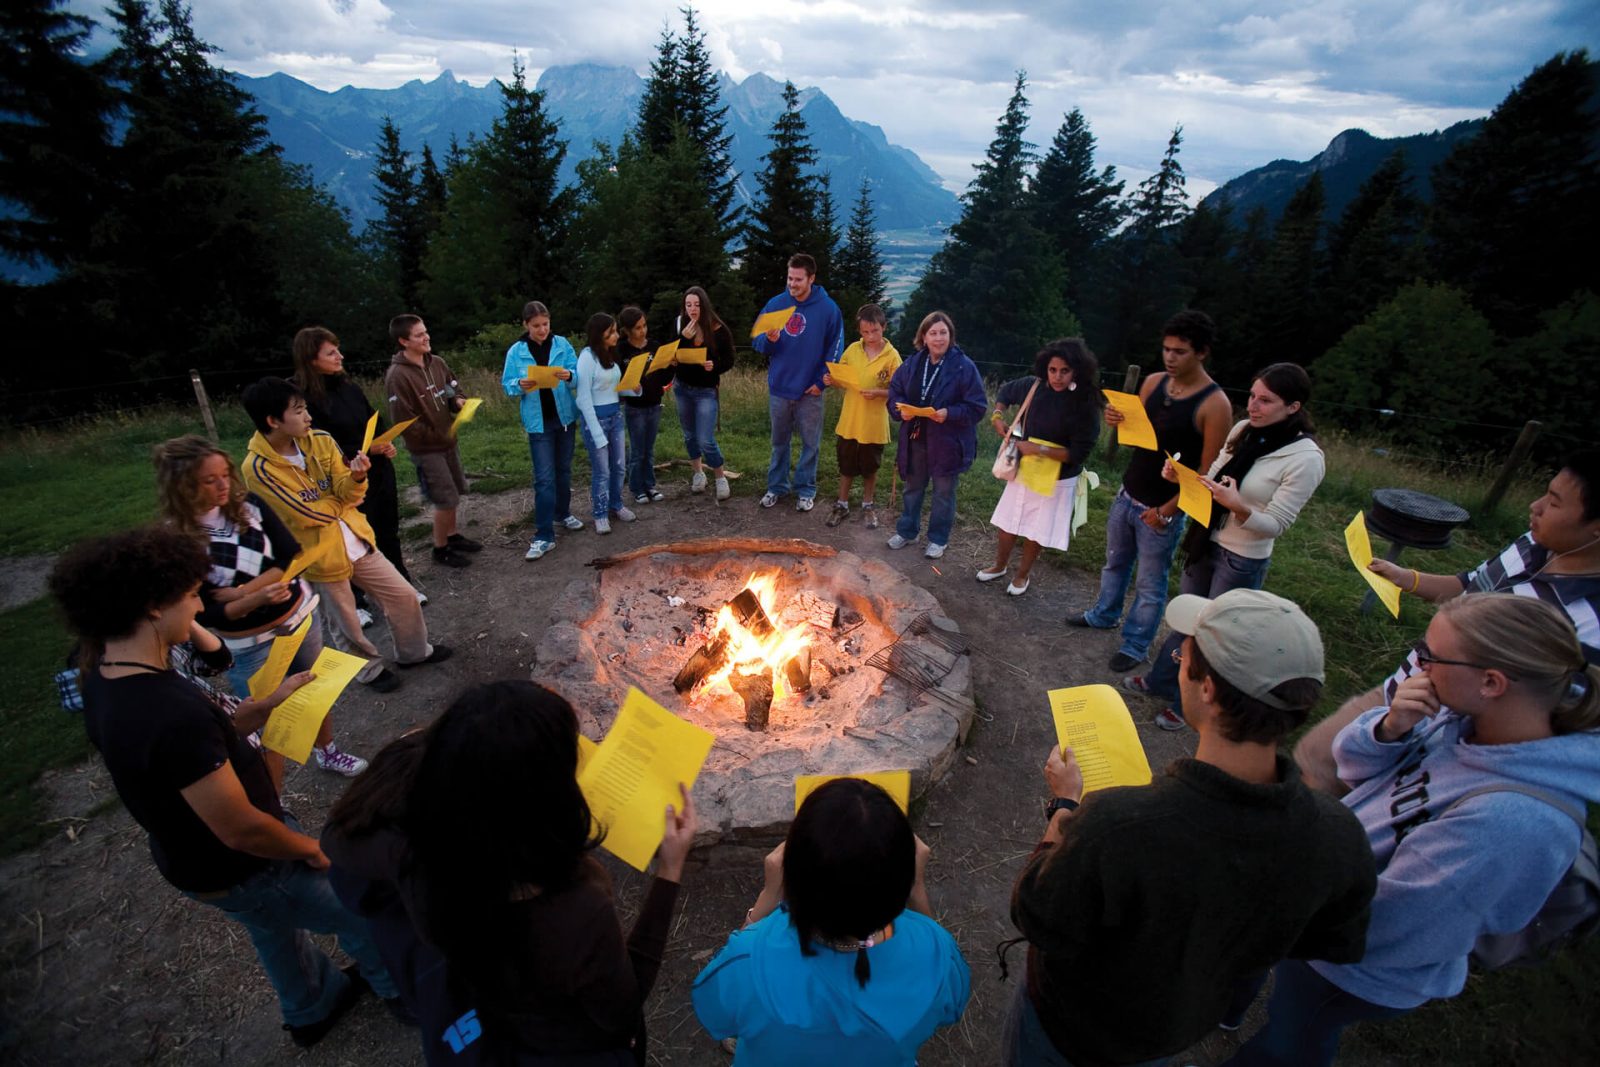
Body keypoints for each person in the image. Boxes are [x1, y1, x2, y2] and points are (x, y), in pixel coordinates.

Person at [47, 527, 403, 1048]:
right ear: (152, 607)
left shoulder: (107, 675)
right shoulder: (165, 713)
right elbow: (239, 828)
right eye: (191, 595)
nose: (199, 607)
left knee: (272, 927)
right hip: (246, 864)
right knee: (361, 909)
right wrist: (311, 850)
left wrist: (261, 711)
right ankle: (401, 990)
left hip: (193, 860)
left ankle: (310, 1008)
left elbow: (193, 753)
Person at [1008, 589, 1375, 1067]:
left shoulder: (1116, 825)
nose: (1178, 662)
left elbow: (1036, 914)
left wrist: (1064, 806)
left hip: (1073, 1031)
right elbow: (1330, 939)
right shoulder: (1339, 836)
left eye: (1182, 657)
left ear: (1207, 690)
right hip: (1175, 1031)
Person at [1230, 593, 1600, 1067]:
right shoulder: (1461, 718)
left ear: (1491, 682)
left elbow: (1397, 924)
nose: (1417, 667)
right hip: (1321, 908)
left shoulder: (1512, 824)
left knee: (1292, 1040)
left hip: (1351, 966)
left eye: (1431, 656)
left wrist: (1281, 911)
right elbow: (1353, 768)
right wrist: (1389, 728)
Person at [323, 681, 697, 1064]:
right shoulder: (572, 911)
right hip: (562, 1045)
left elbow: (337, 840)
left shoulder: (417, 855)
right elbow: (621, 1013)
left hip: (485, 1007)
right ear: (541, 800)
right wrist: (670, 869)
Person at [1295, 449, 1600, 794]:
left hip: (1440, 747)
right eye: (1545, 492)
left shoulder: (1589, 626)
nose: (1535, 506)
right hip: (1403, 693)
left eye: (1554, 503)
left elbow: (1552, 723)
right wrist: (1407, 578)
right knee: (1314, 760)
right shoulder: (1532, 543)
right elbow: (1471, 584)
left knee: (1339, 792)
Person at [693, 778, 970, 1065]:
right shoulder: (937, 953)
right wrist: (917, 890)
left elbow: (718, 1014)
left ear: (792, 878)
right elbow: (949, 1005)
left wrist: (766, 900)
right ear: (901, 882)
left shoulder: (749, 959)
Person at [1126, 363, 1325, 729]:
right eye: (1252, 396)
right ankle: (1162, 680)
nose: (1253, 406)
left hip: (1242, 557)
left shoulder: (1305, 458)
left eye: (1266, 400)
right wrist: (1181, 477)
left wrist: (1238, 506)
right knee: (1187, 617)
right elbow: (1212, 479)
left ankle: (1187, 706)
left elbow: (1277, 524)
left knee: (1215, 634)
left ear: (1293, 407)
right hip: (1206, 540)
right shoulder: (1243, 430)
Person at [154, 434, 369, 771]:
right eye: (209, 480)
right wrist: (255, 597)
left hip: (298, 619)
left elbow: (289, 555)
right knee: (263, 720)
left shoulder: (249, 505)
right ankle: (271, 789)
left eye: (225, 475)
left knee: (313, 692)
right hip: (247, 646)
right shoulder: (176, 541)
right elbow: (207, 612)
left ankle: (327, 751)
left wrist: (244, 593)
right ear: (181, 486)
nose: (223, 486)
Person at [240, 377, 451, 687]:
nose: (307, 417)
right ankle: (369, 671)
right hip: (319, 556)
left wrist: (356, 478)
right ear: (273, 421)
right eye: (298, 411)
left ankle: (414, 653)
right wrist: (341, 500)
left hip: (356, 538)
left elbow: (347, 490)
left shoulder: (321, 439)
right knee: (346, 622)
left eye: (306, 408)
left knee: (403, 596)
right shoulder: (258, 468)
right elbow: (305, 514)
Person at [1068, 309, 1233, 674]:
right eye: (1166, 349)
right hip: (1128, 491)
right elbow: (1137, 438)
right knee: (1114, 562)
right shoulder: (1154, 382)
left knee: (1150, 582)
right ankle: (1104, 614)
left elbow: (1209, 474)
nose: (1170, 358)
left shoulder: (1214, 405)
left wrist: (1168, 511)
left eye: (1180, 352)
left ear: (1202, 352)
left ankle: (1136, 644)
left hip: (1162, 508)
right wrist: (1117, 420)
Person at [291, 326, 424, 614]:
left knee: (387, 529)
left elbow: (372, 419)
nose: (340, 356)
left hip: (377, 469)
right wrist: (361, 451)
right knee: (350, 538)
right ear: (311, 359)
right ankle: (356, 601)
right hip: (341, 477)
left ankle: (401, 584)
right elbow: (318, 441)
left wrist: (385, 442)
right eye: (331, 353)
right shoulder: (303, 399)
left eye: (338, 350)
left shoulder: (349, 387)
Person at [977, 339, 1103, 596]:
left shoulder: (1086, 403)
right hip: (1024, 469)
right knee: (1009, 521)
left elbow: (1078, 454)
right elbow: (1005, 393)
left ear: (1077, 370)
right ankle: (999, 566)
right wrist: (997, 416)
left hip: (1058, 478)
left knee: (1037, 528)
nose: (1057, 377)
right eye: (1052, 370)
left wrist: (1038, 449)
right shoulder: (1033, 385)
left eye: (1065, 371)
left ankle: (1022, 575)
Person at [885, 311, 987, 559]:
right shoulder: (913, 363)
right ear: (924, 336)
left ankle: (938, 539)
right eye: (933, 333)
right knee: (912, 488)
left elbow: (977, 407)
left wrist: (949, 413)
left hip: (947, 443)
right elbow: (895, 391)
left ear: (951, 336)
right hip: (916, 438)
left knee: (943, 493)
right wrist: (900, 410)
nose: (938, 338)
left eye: (943, 333)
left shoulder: (963, 366)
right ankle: (907, 531)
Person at [385, 314, 482, 568]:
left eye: (425, 332)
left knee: (455, 491)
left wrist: (458, 402)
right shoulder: (397, 376)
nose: (426, 337)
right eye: (419, 335)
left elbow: (452, 389)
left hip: (449, 441)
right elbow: (404, 423)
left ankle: (452, 536)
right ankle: (440, 549)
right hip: (427, 450)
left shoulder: (437, 363)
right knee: (444, 497)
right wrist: (436, 435)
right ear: (404, 341)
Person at [753, 252, 845, 511]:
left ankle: (805, 490)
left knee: (810, 445)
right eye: (789, 278)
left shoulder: (829, 309)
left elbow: (835, 349)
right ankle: (776, 487)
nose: (792, 284)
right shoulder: (776, 304)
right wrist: (769, 340)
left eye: (798, 279)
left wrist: (820, 383)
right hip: (780, 388)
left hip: (810, 391)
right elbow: (757, 342)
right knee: (779, 443)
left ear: (811, 279)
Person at [501, 300, 582, 562]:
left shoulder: (562, 344)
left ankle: (563, 513)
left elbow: (578, 374)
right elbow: (507, 385)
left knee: (564, 470)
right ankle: (544, 535)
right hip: (539, 423)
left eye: (545, 324)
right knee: (544, 478)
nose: (542, 330)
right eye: (536, 326)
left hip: (565, 418)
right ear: (526, 325)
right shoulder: (516, 351)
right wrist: (520, 384)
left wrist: (569, 375)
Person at [821, 304, 901, 530]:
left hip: (874, 424)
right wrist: (832, 380)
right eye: (865, 332)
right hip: (850, 421)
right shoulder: (852, 350)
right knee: (846, 464)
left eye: (875, 331)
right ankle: (842, 504)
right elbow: (841, 377)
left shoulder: (892, 356)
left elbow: (899, 390)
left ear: (884, 327)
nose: (871, 336)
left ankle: (868, 505)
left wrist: (879, 393)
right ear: (859, 331)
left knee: (870, 466)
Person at [674, 286, 736, 501]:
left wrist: (714, 366)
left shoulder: (719, 329)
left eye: (697, 305)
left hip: (705, 391)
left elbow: (729, 360)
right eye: (688, 305)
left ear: (704, 305)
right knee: (689, 435)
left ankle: (720, 477)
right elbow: (672, 353)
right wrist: (683, 338)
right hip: (682, 387)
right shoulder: (680, 324)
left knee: (705, 439)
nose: (692, 309)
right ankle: (698, 473)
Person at [575, 312, 633, 534]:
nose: (616, 335)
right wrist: (597, 433)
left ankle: (616, 504)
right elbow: (583, 398)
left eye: (615, 331)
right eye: (611, 332)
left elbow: (613, 389)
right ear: (599, 334)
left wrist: (633, 390)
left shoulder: (611, 355)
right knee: (602, 471)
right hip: (595, 420)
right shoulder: (587, 358)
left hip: (615, 416)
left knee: (619, 466)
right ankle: (599, 513)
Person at [618, 305, 676, 506]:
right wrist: (628, 384)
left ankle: (650, 485)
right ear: (627, 330)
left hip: (654, 403)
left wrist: (671, 367)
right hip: (635, 406)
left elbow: (663, 377)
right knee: (637, 450)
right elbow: (616, 378)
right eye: (637, 328)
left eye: (644, 326)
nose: (642, 331)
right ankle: (637, 488)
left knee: (649, 449)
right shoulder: (621, 349)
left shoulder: (654, 345)